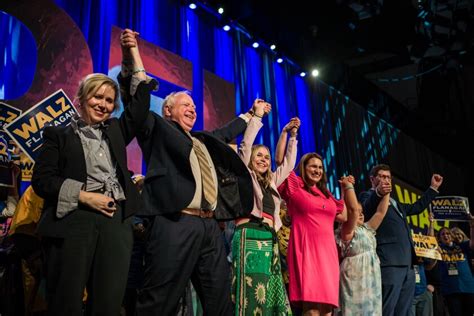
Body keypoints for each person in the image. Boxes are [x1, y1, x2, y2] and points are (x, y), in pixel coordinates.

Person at [119, 32, 254, 316]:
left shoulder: (202, 139)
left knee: (220, 302)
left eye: (194, 106)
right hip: (174, 221)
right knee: (159, 300)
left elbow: (226, 132)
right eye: (186, 105)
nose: (192, 109)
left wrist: (250, 115)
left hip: (209, 227)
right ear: (167, 110)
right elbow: (136, 98)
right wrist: (132, 55)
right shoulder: (156, 128)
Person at [31, 29, 156, 315]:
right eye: (96, 97)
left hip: (116, 223)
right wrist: (86, 197)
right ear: (82, 98)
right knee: (65, 303)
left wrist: (132, 51)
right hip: (74, 221)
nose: (102, 104)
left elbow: (139, 105)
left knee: (109, 304)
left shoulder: (115, 130)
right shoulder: (58, 135)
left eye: (109, 101)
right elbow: (42, 181)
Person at [232, 104, 299, 315]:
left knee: (269, 294)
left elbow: (288, 164)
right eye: (259, 156)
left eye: (267, 157)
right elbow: (245, 145)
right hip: (249, 234)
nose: (264, 159)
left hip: (270, 238)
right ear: (251, 159)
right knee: (251, 294)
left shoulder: (271, 182)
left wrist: (292, 136)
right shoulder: (245, 175)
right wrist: (257, 117)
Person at [358, 164, 443, 316]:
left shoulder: (396, 203)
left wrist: (432, 189)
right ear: (372, 179)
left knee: (403, 310)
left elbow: (417, 207)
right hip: (389, 261)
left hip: (408, 264)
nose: (386, 180)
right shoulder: (366, 196)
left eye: (388, 177)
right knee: (387, 309)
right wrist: (378, 193)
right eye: (382, 176)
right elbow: (366, 207)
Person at [278, 153, 347, 316]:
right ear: (304, 168)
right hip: (306, 250)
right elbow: (281, 161)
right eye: (313, 166)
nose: (317, 170)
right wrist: (290, 134)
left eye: (320, 167)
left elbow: (343, 216)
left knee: (327, 309)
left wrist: (345, 190)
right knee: (311, 308)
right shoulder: (296, 186)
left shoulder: (326, 194)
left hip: (328, 254)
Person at [336, 175, 390, 316]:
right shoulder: (347, 230)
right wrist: (348, 187)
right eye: (357, 212)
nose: (360, 214)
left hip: (372, 278)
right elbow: (352, 211)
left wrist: (386, 191)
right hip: (354, 277)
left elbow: (381, 212)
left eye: (362, 212)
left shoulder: (367, 229)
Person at [436, 221, 474, 316]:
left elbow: (472, 244)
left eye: (448, 233)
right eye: (443, 234)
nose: (446, 236)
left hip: (468, 287)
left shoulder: (461, 246)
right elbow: (430, 241)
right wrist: (431, 223)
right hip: (451, 290)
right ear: (439, 238)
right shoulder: (439, 249)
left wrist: (472, 226)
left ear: (452, 236)